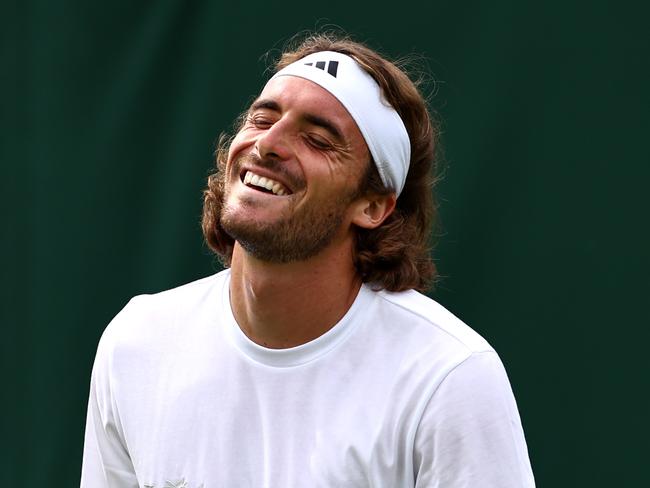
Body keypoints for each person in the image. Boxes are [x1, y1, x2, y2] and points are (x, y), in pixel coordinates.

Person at [80, 32, 535, 487]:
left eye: (317, 139)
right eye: (262, 118)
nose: (269, 144)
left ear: (373, 206)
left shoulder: (449, 378)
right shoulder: (135, 345)